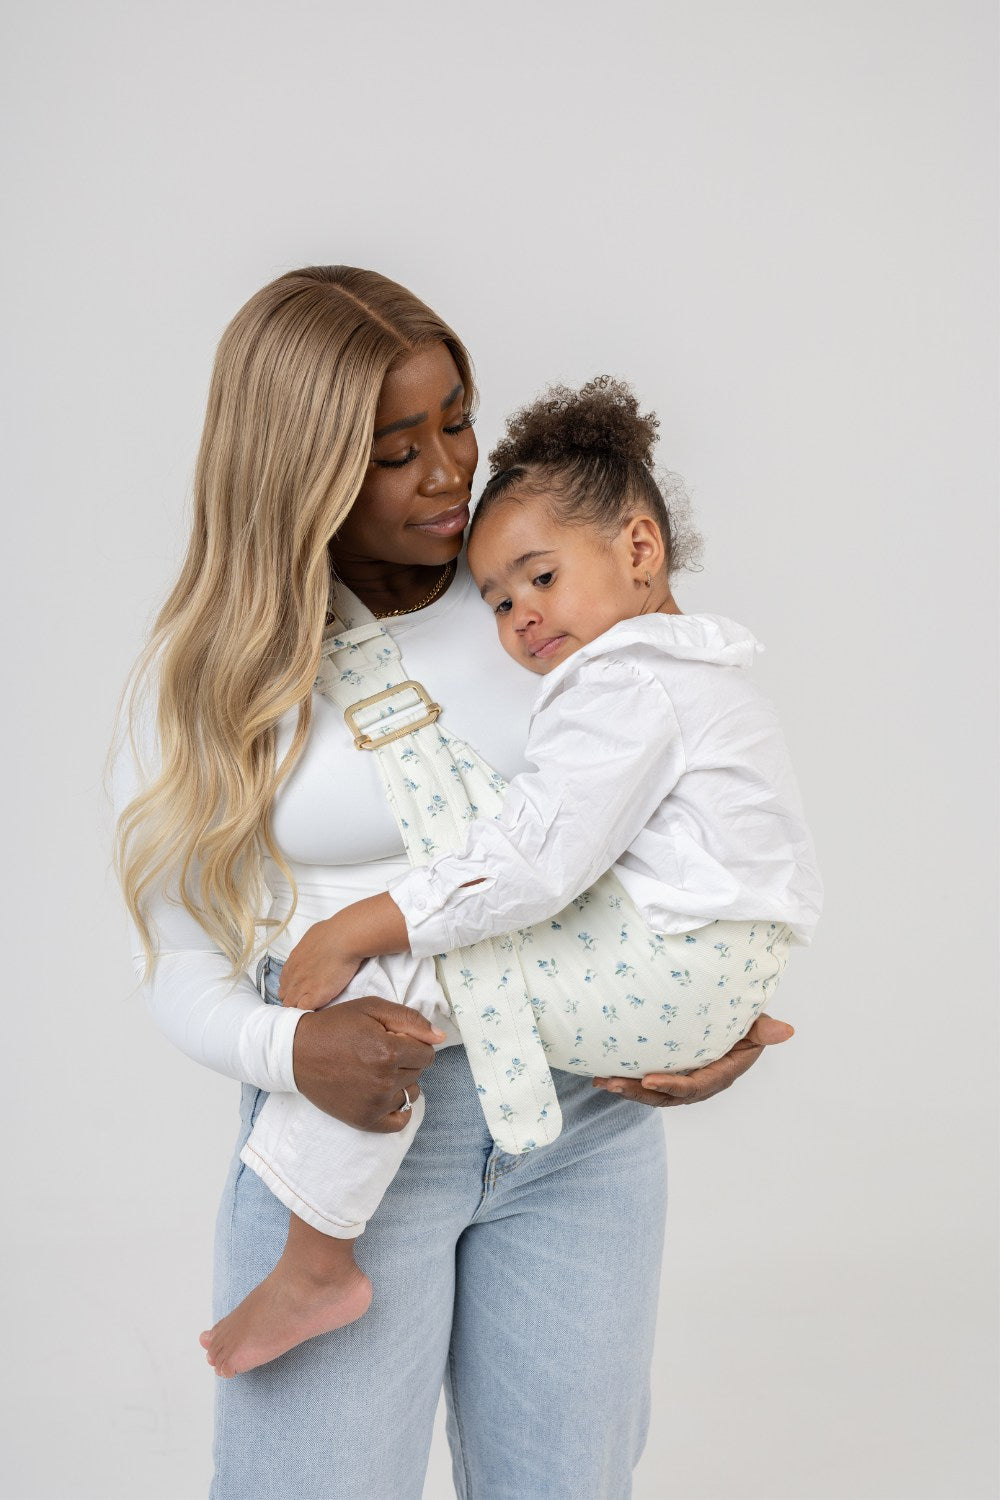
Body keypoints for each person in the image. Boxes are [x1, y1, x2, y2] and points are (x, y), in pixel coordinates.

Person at [113, 266, 801, 1500]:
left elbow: (689, 805)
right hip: (361, 1111)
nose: (447, 470)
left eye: (456, 419)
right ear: (300, 463)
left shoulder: (556, 594)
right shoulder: (210, 676)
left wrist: (704, 1009)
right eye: (393, 449)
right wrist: (289, 1051)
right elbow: (172, 965)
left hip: (582, 1120)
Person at [197, 376, 822, 1381]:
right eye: (496, 600)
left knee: (390, 978)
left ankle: (314, 1264)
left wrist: (361, 924)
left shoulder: (620, 683)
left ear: (639, 551)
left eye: (538, 579)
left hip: (666, 966)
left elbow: (535, 859)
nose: (520, 617)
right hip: (710, 961)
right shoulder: (689, 662)